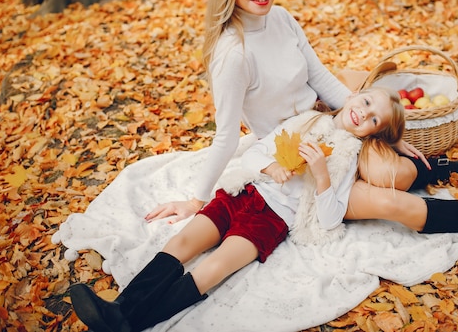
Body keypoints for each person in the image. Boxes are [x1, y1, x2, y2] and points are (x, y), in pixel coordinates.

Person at [142, 0, 458, 232]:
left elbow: (319, 75)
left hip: (327, 119)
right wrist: (196, 200)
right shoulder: (233, 54)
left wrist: (384, 130)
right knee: (391, 186)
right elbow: (226, 135)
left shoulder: (280, 17)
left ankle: (437, 167)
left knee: (388, 155)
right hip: (295, 144)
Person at [70, 86, 406, 332]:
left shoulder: (348, 158)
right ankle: (119, 307)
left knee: (215, 266)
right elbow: (255, 154)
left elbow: (331, 219)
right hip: (242, 193)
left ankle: (130, 323)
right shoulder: (308, 121)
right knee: (183, 244)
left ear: (373, 132)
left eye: (373, 118)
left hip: (271, 220)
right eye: (365, 101)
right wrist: (270, 168)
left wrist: (321, 176)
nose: (364, 113)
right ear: (350, 97)